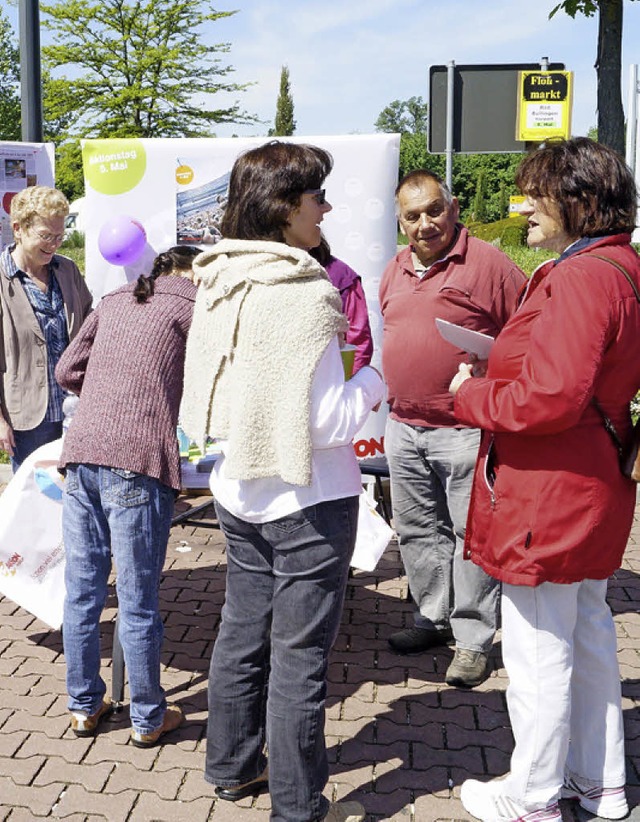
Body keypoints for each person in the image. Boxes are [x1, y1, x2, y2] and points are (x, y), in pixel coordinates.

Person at [180, 141, 384, 822]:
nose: (326, 207)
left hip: (239, 491)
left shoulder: (219, 276)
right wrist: (375, 382)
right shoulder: (302, 290)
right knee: (298, 662)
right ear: (282, 206)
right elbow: (326, 420)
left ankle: (230, 768)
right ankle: (297, 804)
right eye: (316, 196)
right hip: (308, 499)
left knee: (242, 634)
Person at [450, 137, 640, 822]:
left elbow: (549, 397)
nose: (522, 205)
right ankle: (600, 783)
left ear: (580, 201)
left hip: (553, 489)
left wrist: (470, 396)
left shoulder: (581, 276)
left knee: (538, 650)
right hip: (588, 480)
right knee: (585, 634)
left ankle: (533, 796)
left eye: (536, 192)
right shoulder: (617, 265)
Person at [379, 169, 526, 687]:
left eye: (434, 210)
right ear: (400, 222)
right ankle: (433, 617)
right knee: (418, 531)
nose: (425, 224)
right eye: (412, 216)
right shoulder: (395, 268)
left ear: (454, 207)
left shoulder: (489, 264)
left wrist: (495, 369)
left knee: (470, 536)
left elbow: (528, 333)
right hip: (404, 425)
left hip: (467, 429)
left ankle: (472, 640)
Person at [55, 246, 199, 747]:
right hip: (137, 460)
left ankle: (84, 707)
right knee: (137, 600)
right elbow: (208, 386)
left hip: (83, 451)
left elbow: (66, 370)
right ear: (195, 273)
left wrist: (105, 394)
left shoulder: (115, 298)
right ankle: (146, 718)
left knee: (82, 591)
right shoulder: (193, 306)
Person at [0, 185, 93, 471]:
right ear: (19, 229)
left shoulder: (67, 270)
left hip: (75, 408)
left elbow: (89, 327)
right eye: (45, 236)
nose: (54, 244)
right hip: (27, 417)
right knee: (34, 501)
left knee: (76, 499)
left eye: (59, 236)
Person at [310, 236, 374, 373]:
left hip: (332, 382)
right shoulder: (266, 271)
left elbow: (358, 341)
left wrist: (349, 385)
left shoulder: (341, 276)